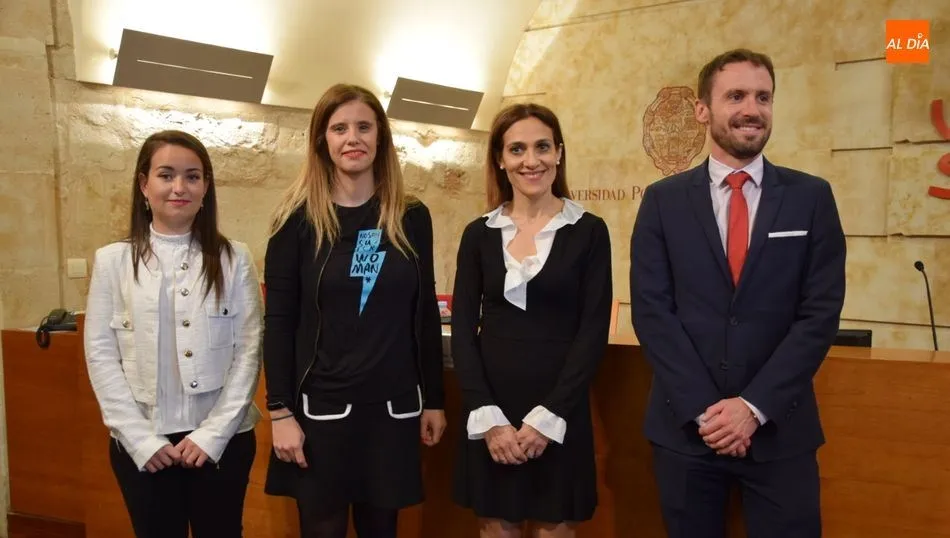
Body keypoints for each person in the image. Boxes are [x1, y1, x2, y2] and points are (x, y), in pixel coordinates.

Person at [630, 48, 847, 538]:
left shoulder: (811, 197)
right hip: (687, 431)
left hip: (780, 432)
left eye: (763, 97)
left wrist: (751, 409)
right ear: (703, 110)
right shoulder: (663, 202)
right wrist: (711, 414)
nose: (752, 108)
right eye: (736, 96)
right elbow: (652, 312)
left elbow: (820, 314)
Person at [262, 83, 447, 538]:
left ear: (380, 136)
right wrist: (280, 411)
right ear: (322, 140)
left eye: (364, 127)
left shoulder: (411, 215)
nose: (353, 138)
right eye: (339, 128)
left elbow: (423, 312)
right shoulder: (296, 221)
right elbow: (280, 322)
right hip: (322, 412)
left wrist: (435, 400)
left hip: (392, 410)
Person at [83, 130, 262, 538]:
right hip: (143, 442)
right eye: (166, 175)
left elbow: (249, 351)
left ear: (206, 188)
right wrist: (139, 439)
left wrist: (213, 435)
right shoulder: (112, 261)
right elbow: (101, 355)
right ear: (144, 185)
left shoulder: (235, 259)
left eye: (192, 176)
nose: (179, 187)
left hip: (222, 443)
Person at [451, 103, 612, 538]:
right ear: (501, 161)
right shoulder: (478, 234)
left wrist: (549, 417)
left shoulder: (589, 231)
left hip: (559, 414)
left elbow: (593, 331)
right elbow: (463, 331)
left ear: (558, 153)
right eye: (517, 149)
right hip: (493, 416)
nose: (531, 160)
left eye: (542, 147)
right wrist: (489, 418)